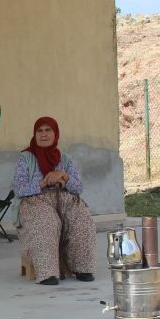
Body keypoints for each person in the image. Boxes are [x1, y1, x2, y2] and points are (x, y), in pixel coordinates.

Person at [12, 117, 97, 286]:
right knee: (46, 221)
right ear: (35, 134)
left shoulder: (65, 159)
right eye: (40, 131)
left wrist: (64, 176)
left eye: (48, 130)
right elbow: (19, 189)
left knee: (82, 219)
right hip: (35, 201)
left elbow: (78, 187)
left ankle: (82, 268)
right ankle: (47, 273)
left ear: (55, 133)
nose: (44, 134)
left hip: (64, 199)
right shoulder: (26, 158)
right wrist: (42, 182)